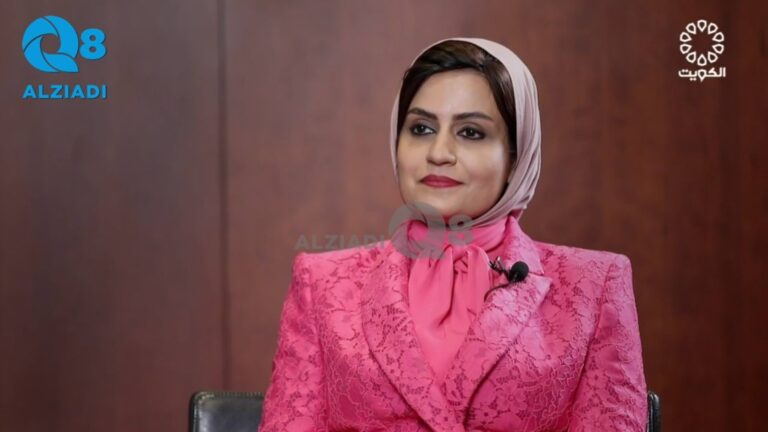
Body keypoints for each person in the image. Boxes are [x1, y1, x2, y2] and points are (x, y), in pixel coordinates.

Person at [259, 37, 647, 431]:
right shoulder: (322, 283)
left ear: (516, 157)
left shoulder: (595, 285)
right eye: (421, 128)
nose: (439, 153)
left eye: (471, 132)